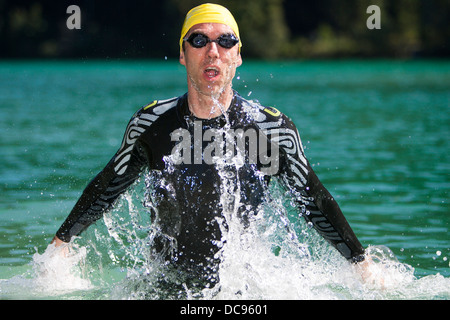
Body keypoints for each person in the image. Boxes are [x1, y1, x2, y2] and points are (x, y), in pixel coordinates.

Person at [51, 3, 369, 296]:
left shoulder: (271, 129)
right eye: (199, 40)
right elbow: (109, 184)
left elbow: (313, 199)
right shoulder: (151, 125)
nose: (213, 51)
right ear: (183, 53)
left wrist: (360, 263)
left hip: (240, 290)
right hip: (164, 288)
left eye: (226, 41)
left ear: (238, 55)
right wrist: (61, 242)